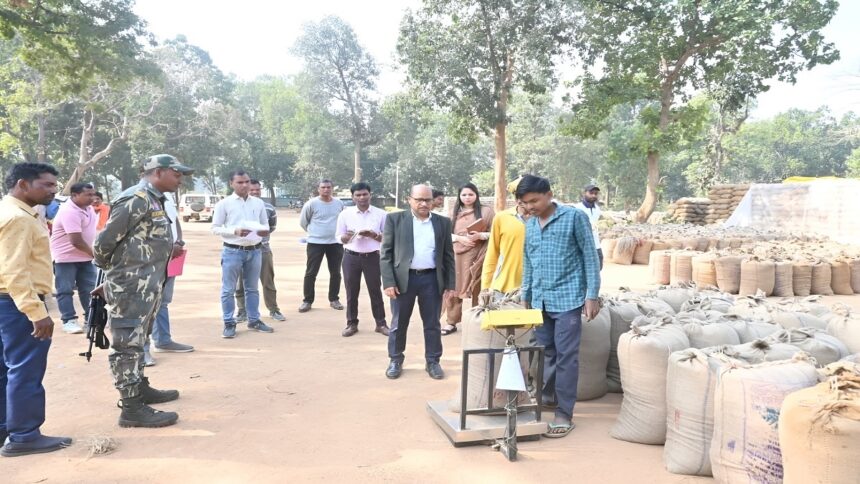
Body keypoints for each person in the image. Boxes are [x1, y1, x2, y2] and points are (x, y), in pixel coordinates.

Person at [93, 154, 193, 428]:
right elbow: (103, 244)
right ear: (158, 172)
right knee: (126, 344)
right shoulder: (135, 198)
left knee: (140, 337)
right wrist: (117, 276)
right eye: (176, 174)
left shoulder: (155, 199)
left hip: (149, 283)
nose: (180, 179)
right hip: (131, 286)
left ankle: (140, 387)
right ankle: (131, 407)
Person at [518, 175, 601, 439]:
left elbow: (590, 257)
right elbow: (528, 261)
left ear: (549, 194)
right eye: (525, 203)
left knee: (566, 356)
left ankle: (564, 413)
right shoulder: (530, 225)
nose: (530, 207)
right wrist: (526, 294)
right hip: (540, 299)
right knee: (546, 353)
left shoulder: (574, 217)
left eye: (534, 201)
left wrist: (592, 295)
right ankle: (547, 398)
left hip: (568, 299)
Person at [0, 162, 72, 456]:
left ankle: (7, 427)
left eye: (55, 185)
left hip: (8, 300)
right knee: (25, 370)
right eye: (47, 185)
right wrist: (37, 312)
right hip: (17, 303)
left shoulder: (12, 211)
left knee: (7, 369)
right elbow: (14, 271)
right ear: (23, 184)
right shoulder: (18, 218)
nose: (54, 191)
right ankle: (24, 436)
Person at [381, 184, 456, 380]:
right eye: (419, 200)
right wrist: (388, 282)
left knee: (432, 324)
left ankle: (433, 361)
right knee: (399, 323)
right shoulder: (395, 220)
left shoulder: (442, 223)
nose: (423, 203)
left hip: (432, 280)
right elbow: (386, 254)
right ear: (409, 200)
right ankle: (395, 359)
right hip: (403, 280)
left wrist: (450, 284)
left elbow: (448, 255)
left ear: (433, 201)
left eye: (427, 200)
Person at [211, 170, 275, 338]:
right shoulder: (224, 204)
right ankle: (229, 323)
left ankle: (254, 320)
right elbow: (215, 228)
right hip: (233, 250)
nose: (245, 185)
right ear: (231, 184)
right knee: (228, 289)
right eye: (240, 182)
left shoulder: (258, 203)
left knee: (252, 289)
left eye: (246, 181)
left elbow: (265, 224)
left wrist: (262, 231)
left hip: (254, 250)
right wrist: (235, 231)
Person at [144, 190, 194, 366]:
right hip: (150, 261)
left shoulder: (167, 198)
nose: (178, 181)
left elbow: (175, 221)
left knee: (162, 302)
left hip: (170, 258)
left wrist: (178, 241)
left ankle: (163, 340)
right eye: (175, 176)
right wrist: (167, 247)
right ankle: (142, 350)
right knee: (146, 304)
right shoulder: (140, 198)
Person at [335, 182, 389, 337]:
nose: (362, 197)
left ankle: (381, 324)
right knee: (351, 292)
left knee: (375, 290)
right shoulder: (345, 214)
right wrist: (346, 237)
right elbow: (338, 236)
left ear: (370, 195)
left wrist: (373, 235)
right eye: (358, 195)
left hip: (373, 257)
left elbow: (388, 238)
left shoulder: (381, 214)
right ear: (353, 197)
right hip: (351, 257)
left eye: (365, 194)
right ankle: (351, 324)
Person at [442, 183, 494, 335]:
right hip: (457, 256)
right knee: (454, 288)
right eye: (464, 195)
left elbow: (496, 232)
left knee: (478, 287)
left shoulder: (487, 211)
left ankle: (479, 321)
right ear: (459, 196)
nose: (467, 197)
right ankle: (451, 322)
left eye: (471, 194)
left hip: (479, 256)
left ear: (476, 195)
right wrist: (460, 238)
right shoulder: (453, 213)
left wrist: (480, 235)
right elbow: (444, 235)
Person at [49, 182, 98, 335]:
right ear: (74, 195)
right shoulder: (69, 211)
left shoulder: (89, 209)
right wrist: (95, 255)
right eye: (88, 195)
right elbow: (76, 241)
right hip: (66, 258)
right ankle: (69, 321)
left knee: (89, 290)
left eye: (93, 194)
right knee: (65, 290)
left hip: (85, 256)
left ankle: (91, 320)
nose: (92, 198)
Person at [236, 180, 285, 322]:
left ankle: (273, 309)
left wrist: (258, 237)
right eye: (252, 190)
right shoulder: (238, 207)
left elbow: (271, 227)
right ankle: (242, 310)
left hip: (263, 249)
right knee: (241, 283)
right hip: (241, 250)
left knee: (268, 281)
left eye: (257, 190)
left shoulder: (268, 208)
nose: (255, 192)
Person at [298, 179, 345, 313]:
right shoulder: (311, 204)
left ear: (332, 188)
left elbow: (343, 221)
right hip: (315, 243)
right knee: (311, 272)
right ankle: (307, 301)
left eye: (328, 187)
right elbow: (303, 222)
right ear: (318, 189)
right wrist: (315, 233)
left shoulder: (339, 203)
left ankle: (334, 299)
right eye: (323, 187)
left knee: (335, 272)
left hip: (335, 243)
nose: (326, 189)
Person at [481, 177, 531, 293]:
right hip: (505, 287)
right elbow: (492, 253)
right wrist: (485, 286)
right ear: (516, 198)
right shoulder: (501, 218)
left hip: (538, 288)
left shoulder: (545, 218)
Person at [572, 184, 603, 269]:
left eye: (595, 193)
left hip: (596, 244)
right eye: (591, 193)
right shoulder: (577, 208)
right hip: (581, 245)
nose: (593, 195)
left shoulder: (597, 209)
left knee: (598, 267)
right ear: (584, 193)